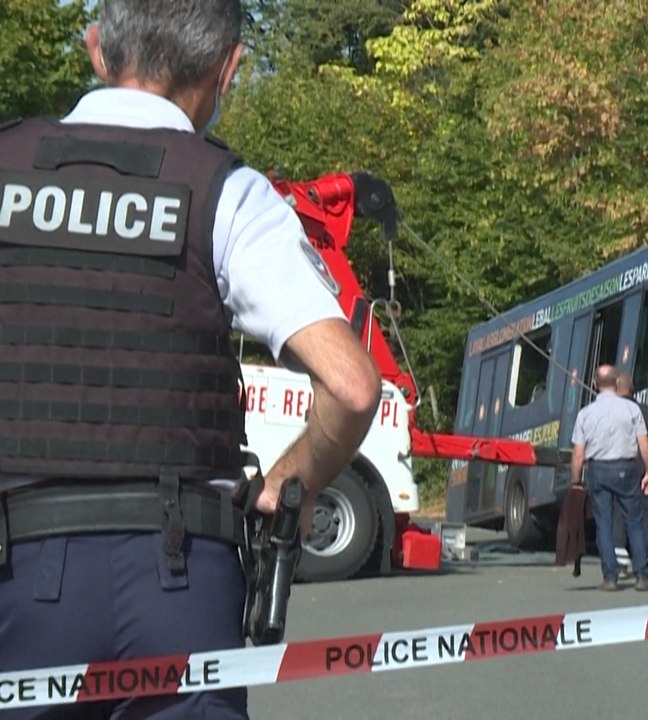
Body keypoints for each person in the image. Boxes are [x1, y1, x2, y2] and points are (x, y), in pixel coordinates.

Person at [0, 1, 383, 717]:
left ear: (95, 49)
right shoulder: (228, 192)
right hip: (180, 579)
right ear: (228, 69)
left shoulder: (6, 165)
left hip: (17, 570)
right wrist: (287, 486)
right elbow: (354, 386)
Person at [570, 364, 648, 592]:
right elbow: (645, 444)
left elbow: (578, 453)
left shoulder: (585, 413)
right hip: (627, 468)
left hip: (598, 469)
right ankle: (642, 575)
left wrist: (576, 480)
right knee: (634, 521)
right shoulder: (632, 410)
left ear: (594, 384)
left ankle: (610, 577)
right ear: (617, 381)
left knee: (604, 523)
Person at [612, 371, 648, 580]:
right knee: (647, 513)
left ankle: (620, 562)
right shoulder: (645, 412)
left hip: (616, 469)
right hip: (642, 468)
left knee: (618, 513)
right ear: (633, 391)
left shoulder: (608, 414)